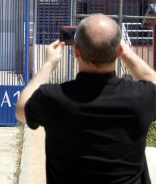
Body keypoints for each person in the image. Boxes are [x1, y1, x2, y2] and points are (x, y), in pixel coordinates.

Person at [15, 13, 156, 184]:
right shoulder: (141, 97)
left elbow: (21, 110)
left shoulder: (53, 98)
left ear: (76, 50)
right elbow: (152, 80)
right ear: (119, 51)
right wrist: (125, 52)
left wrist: (49, 64)